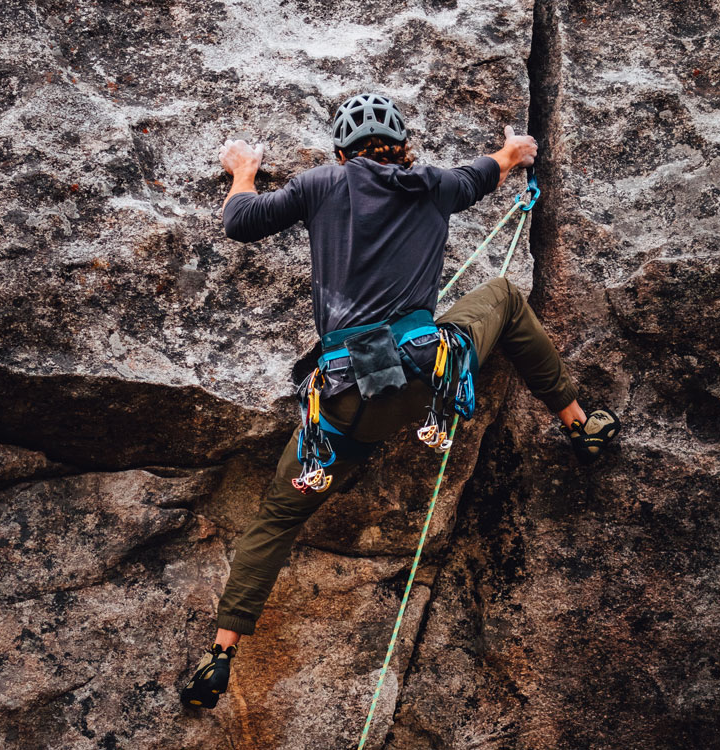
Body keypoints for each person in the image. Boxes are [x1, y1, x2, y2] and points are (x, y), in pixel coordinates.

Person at [180, 93, 620, 709]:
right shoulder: (434, 185)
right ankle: (580, 423)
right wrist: (516, 151)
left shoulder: (320, 184)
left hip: (339, 407)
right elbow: (489, 169)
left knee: (277, 517)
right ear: (403, 144)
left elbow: (240, 222)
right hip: (421, 378)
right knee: (503, 297)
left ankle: (220, 654)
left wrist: (244, 172)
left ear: (341, 152)